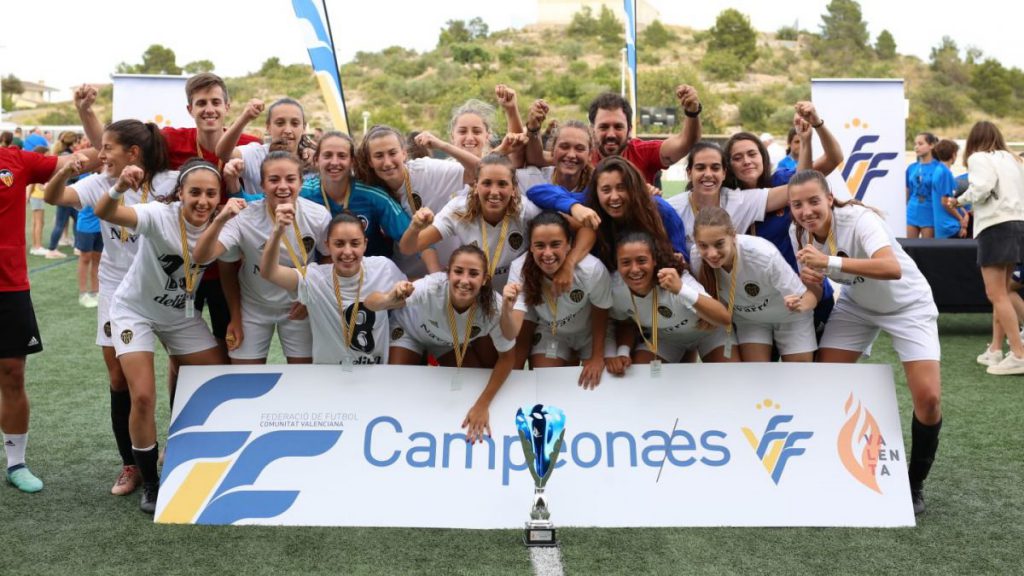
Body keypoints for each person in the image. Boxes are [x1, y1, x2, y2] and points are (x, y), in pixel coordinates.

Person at [789, 169, 941, 515]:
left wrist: (828, 261)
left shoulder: (860, 220)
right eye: (797, 205)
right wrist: (804, 298)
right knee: (823, 381)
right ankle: (830, 466)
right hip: (858, 306)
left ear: (829, 198)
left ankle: (913, 483)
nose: (806, 211)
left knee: (929, 400)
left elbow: (890, 268)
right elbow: (815, 284)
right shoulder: (798, 231)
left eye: (814, 201)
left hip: (908, 305)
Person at [43, 119, 176, 496]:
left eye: (107, 148)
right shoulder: (101, 181)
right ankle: (132, 464)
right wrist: (65, 171)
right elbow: (54, 198)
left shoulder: (170, 181)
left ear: (133, 153)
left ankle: (181, 446)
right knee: (120, 380)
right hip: (117, 293)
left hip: (164, 289)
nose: (99, 154)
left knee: (182, 365)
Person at [93, 158, 227, 513]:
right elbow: (106, 211)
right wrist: (120, 186)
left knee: (220, 377)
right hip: (134, 311)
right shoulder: (158, 214)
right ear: (179, 192)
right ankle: (150, 483)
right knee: (142, 397)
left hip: (179, 315)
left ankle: (181, 448)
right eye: (194, 192)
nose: (202, 200)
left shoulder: (222, 222)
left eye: (210, 194)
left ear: (220, 197)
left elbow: (210, 255)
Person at [0, 142, 91, 493]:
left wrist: (89, 120)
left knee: (12, 373)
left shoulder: (14, 159)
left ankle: (16, 462)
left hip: (9, 288)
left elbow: (77, 161)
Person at [366, 245, 516, 443]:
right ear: (447, 273)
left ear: (485, 279)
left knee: (469, 389)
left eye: (473, 274)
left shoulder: (494, 308)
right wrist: (388, 299)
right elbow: (369, 303)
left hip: (448, 343)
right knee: (397, 385)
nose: (464, 280)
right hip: (410, 332)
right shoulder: (431, 287)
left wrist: (482, 405)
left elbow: (508, 358)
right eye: (458, 272)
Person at [193, 151, 330, 365]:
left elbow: (328, 260)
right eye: (273, 180)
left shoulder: (318, 215)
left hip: (298, 304)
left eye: (290, 179)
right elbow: (205, 259)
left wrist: (310, 297)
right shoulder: (244, 218)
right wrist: (220, 220)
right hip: (254, 305)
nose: (282, 186)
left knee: (304, 379)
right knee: (245, 379)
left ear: (301, 183)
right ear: (262, 185)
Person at [400, 154, 578, 291]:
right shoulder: (458, 210)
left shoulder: (527, 211)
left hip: (515, 294)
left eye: (502, 184)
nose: (494, 192)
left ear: (514, 188)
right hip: (474, 294)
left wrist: (568, 265)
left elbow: (583, 228)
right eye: (487, 183)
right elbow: (409, 247)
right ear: (475, 186)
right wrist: (415, 227)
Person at [260, 208, 405, 366]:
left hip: (374, 373)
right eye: (339, 244)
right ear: (328, 246)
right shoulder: (314, 278)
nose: (347, 252)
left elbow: (407, 297)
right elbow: (269, 272)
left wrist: (399, 294)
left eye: (355, 243)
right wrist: (277, 232)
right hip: (328, 377)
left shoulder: (383, 268)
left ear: (365, 244)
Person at [691, 207, 817, 362]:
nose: (711, 254)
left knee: (799, 379)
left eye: (719, 244)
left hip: (790, 317)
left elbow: (807, 298)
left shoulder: (763, 255)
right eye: (703, 245)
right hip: (750, 320)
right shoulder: (696, 258)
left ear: (733, 235)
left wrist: (799, 304)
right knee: (756, 377)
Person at [948, 121, 1024, 374]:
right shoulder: (1012, 158)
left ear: (973, 140)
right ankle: (995, 350)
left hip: (995, 227)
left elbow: (982, 188)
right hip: (1017, 225)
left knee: (996, 294)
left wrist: (958, 200)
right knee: (1002, 291)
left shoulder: (979, 158)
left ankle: (1018, 354)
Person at [502, 211, 611, 388]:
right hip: (552, 332)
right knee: (547, 386)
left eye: (555, 244)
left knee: (601, 383)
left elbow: (601, 310)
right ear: (530, 247)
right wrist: (507, 309)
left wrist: (597, 356)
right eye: (539, 245)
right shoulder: (519, 269)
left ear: (569, 244)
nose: (547, 253)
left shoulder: (591, 269)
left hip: (590, 332)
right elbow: (513, 332)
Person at [527, 156, 689, 271]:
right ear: (596, 191)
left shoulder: (660, 211)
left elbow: (682, 261)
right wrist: (574, 207)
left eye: (621, 187)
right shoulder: (589, 203)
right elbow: (536, 192)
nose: (614, 197)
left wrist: (678, 261)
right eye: (606, 189)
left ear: (635, 187)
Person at [606, 231, 732, 373]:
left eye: (642, 261)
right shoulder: (615, 289)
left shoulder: (675, 278)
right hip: (665, 340)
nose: (634, 269)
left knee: (730, 375)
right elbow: (624, 321)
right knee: (640, 378)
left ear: (654, 261)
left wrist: (680, 289)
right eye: (625, 262)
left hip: (709, 334)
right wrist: (623, 352)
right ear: (617, 264)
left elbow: (724, 318)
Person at [353, 125, 471, 277]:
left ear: (403, 153)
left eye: (392, 153)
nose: (387, 162)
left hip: (447, 276)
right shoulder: (370, 189)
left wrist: (441, 145)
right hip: (405, 279)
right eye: (379, 156)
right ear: (370, 161)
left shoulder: (427, 171)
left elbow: (477, 172)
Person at [527, 86, 701, 185]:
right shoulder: (580, 156)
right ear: (592, 130)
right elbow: (536, 158)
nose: (611, 134)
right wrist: (533, 129)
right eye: (603, 127)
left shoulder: (643, 152)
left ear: (630, 129)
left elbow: (686, 142)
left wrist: (692, 112)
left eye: (618, 127)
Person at [299, 131, 411, 258]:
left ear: (352, 161)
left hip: (369, 272)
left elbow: (410, 236)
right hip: (321, 273)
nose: (334, 162)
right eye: (328, 155)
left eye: (342, 156)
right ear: (316, 159)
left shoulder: (373, 196)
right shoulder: (302, 194)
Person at [216, 97, 310, 197]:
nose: (287, 130)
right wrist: (245, 118)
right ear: (268, 127)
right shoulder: (255, 154)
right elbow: (223, 153)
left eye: (295, 124)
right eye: (280, 123)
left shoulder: (312, 160)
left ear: (303, 128)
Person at [45, 133, 82, 259]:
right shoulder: (68, 156)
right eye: (78, 141)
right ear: (73, 142)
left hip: (66, 193)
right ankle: (52, 249)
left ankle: (77, 246)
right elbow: (73, 175)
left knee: (76, 220)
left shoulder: (63, 154)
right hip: (65, 194)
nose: (79, 143)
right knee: (61, 223)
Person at [931, 139, 969, 239]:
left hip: (942, 225)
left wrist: (964, 212)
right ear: (953, 155)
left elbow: (949, 198)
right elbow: (945, 202)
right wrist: (961, 219)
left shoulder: (938, 170)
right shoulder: (945, 173)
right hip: (949, 226)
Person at [906, 132, 940, 239]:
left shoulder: (939, 168)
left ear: (931, 145)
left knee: (927, 249)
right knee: (909, 248)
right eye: (915, 144)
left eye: (920, 144)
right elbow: (907, 190)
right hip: (912, 210)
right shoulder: (911, 167)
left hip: (930, 210)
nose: (916, 147)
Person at [74, 205, 103, 308]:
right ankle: (83, 294)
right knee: (85, 258)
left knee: (98, 258)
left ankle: (96, 291)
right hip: (86, 226)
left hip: (102, 226)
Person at [26, 146, 49, 256]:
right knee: (39, 222)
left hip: (36, 197)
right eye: (47, 154)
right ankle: (37, 246)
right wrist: (27, 197)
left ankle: (35, 246)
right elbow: (31, 184)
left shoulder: (34, 165)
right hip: (37, 197)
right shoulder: (37, 166)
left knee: (36, 222)